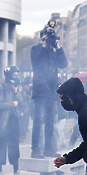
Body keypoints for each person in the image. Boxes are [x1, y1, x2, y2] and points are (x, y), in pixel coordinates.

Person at [30, 26, 67, 158]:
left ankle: (48, 148)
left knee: (50, 121)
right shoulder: (36, 49)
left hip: (52, 91)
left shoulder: (54, 52)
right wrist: (44, 45)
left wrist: (58, 48)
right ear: (42, 36)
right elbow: (36, 62)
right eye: (46, 35)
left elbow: (63, 64)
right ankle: (35, 149)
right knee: (38, 120)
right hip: (40, 90)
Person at [0, 66, 24, 175]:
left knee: (14, 147)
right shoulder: (0, 87)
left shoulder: (14, 88)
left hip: (14, 123)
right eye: (14, 75)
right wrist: (12, 103)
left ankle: (16, 171)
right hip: (2, 124)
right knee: (0, 147)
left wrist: (16, 93)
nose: (16, 77)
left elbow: (21, 102)